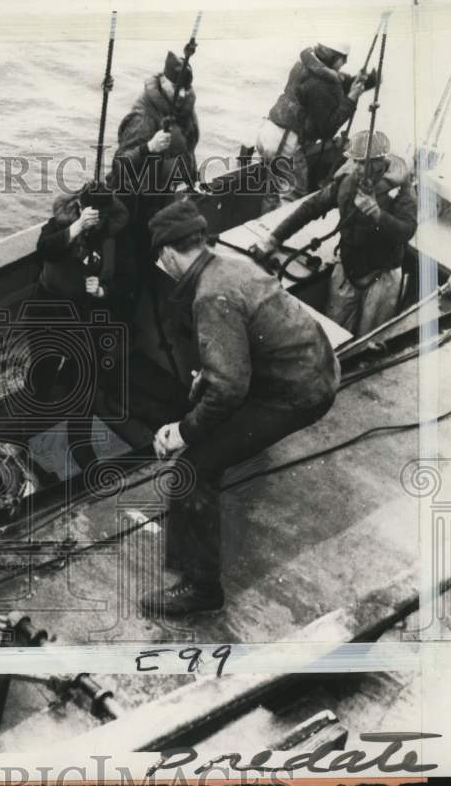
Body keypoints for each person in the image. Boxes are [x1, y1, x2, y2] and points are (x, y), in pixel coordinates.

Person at [140, 199, 340, 617]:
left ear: (172, 252)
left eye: (161, 257)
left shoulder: (211, 296)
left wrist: (182, 431)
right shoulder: (231, 263)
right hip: (317, 367)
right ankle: (188, 550)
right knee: (212, 419)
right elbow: (242, 354)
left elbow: (229, 389)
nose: (163, 266)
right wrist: (211, 380)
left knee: (192, 468)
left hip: (297, 392)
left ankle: (201, 587)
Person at [255, 130, 419, 336]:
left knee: (369, 339)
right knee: (331, 333)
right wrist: (273, 238)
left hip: (381, 274)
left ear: (379, 163)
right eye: (355, 162)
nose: (356, 168)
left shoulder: (402, 192)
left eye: (362, 163)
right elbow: (311, 208)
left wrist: (379, 215)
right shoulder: (347, 182)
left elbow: (407, 230)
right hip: (348, 268)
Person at [28, 187, 129, 469]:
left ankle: (79, 442)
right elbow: (44, 248)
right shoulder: (59, 225)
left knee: (84, 377)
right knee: (43, 374)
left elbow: (125, 280)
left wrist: (102, 292)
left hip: (86, 315)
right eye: (92, 215)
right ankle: (24, 433)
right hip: (50, 310)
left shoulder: (112, 235)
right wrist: (75, 228)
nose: (97, 221)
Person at [109, 51, 201, 316]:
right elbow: (120, 166)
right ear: (164, 83)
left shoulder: (183, 112)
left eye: (186, 89)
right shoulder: (143, 118)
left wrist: (190, 182)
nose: (182, 95)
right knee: (129, 271)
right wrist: (148, 148)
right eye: (177, 88)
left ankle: (138, 308)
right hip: (132, 207)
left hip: (159, 202)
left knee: (149, 261)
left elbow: (188, 149)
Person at [256, 41, 377, 213]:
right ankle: (277, 236)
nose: (345, 63)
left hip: (268, 131)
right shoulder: (323, 85)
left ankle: (265, 226)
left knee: (273, 190)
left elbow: (328, 82)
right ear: (333, 57)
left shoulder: (303, 65)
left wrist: (363, 82)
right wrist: (351, 99)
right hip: (285, 142)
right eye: (343, 59)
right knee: (293, 194)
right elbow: (327, 129)